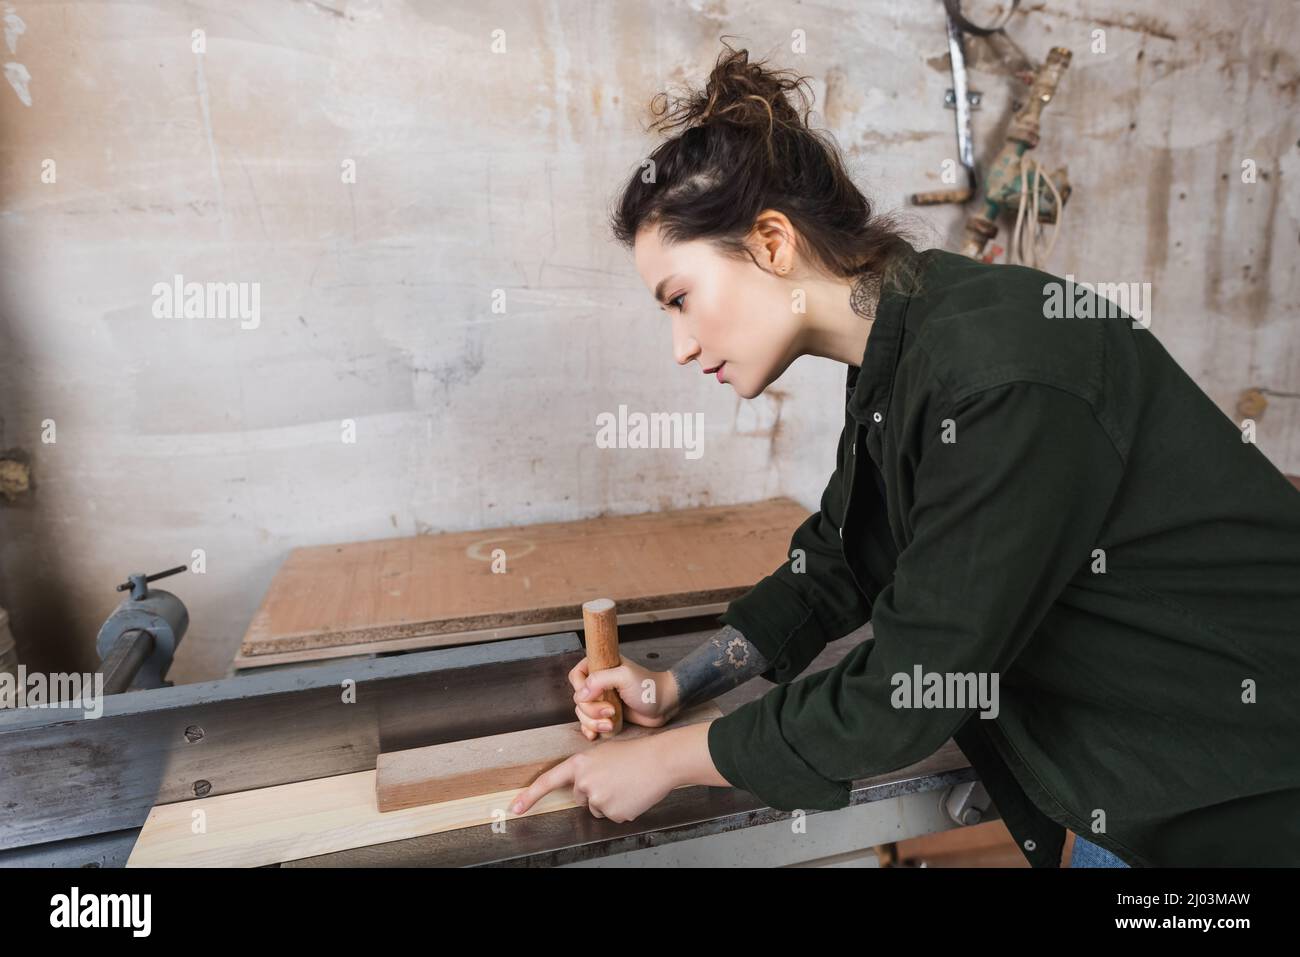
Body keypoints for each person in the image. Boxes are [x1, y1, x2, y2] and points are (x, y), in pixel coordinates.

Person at [510, 42, 1300, 867]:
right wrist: (679, 684)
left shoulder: (996, 372)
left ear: (772, 242)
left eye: (680, 299)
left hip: (1246, 789)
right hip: (1142, 784)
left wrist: (671, 760)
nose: (679, 344)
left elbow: (911, 687)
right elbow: (846, 554)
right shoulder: (906, 344)